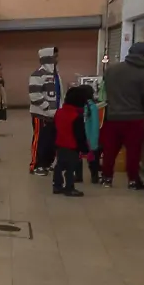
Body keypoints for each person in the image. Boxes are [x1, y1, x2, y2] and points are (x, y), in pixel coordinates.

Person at [100, 42, 144, 189]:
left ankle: (106, 178)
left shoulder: (112, 69)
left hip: (112, 116)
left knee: (110, 150)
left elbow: (105, 88)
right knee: (133, 151)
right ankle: (133, 181)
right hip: (134, 118)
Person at [28, 47, 61, 175]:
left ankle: (46, 163)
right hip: (40, 115)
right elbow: (34, 95)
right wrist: (47, 108)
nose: (57, 59)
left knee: (50, 140)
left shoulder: (55, 75)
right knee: (40, 139)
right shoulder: (38, 74)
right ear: (49, 58)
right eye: (55, 56)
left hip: (54, 115)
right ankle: (36, 165)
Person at [52, 86, 90, 197]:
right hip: (72, 146)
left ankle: (57, 186)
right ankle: (69, 188)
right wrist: (85, 148)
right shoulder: (76, 116)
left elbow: (54, 129)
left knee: (59, 165)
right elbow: (80, 135)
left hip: (59, 145)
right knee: (70, 168)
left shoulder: (59, 112)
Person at [77, 85, 102, 184]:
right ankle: (94, 177)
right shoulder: (93, 107)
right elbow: (95, 124)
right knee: (92, 159)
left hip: (80, 137)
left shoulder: (79, 106)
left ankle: (79, 176)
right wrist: (95, 139)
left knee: (78, 158)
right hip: (90, 138)